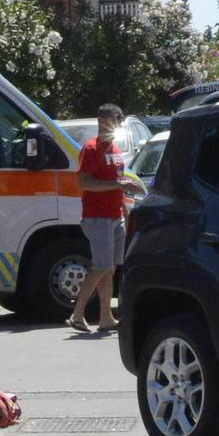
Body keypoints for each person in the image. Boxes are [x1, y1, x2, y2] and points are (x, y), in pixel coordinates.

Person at [67, 103, 140, 333]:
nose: (118, 122)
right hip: (97, 217)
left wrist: (125, 212)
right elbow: (84, 182)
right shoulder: (90, 149)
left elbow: (118, 185)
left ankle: (106, 317)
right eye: (115, 118)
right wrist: (117, 184)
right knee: (102, 266)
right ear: (102, 120)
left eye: (119, 118)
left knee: (109, 269)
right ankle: (77, 314)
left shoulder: (115, 150)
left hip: (114, 215)